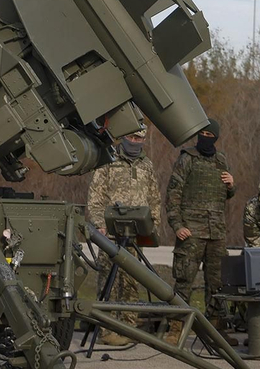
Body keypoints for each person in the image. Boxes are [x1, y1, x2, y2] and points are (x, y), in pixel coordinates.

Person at [86, 126, 166, 345]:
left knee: (131, 280)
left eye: (139, 138)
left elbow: (154, 199)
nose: (135, 141)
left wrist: (152, 227)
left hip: (136, 233)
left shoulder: (146, 165)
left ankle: (129, 326)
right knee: (108, 281)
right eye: (131, 137)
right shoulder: (108, 161)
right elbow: (95, 198)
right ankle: (107, 328)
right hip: (110, 233)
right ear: (123, 137)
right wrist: (100, 225)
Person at [165, 119, 235, 339]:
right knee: (184, 280)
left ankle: (216, 331)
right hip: (191, 232)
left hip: (216, 233)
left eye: (209, 134)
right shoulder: (187, 159)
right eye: (201, 133)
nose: (205, 137)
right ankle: (176, 329)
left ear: (215, 137)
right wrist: (177, 225)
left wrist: (232, 185)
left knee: (218, 283)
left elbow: (226, 194)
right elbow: (172, 196)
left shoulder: (221, 160)